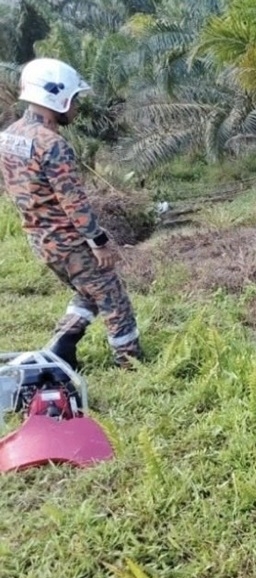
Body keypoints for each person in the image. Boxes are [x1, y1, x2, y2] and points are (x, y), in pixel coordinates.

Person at [0, 58, 141, 369]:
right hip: (69, 243)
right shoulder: (52, 145)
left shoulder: (10, 135)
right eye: (74, 99)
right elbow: (73, 202)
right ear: (56, 97)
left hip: (40, 240)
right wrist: (98, 241)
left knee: (87, 290)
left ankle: (62, 346)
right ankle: (131, 364)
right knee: (113, 298)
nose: (76, 107)